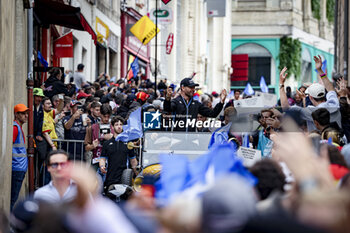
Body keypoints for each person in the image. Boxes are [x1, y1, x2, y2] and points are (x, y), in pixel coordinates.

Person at [279, 55, 341, 132]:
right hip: (339, 141)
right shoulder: (334, 103)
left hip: (319, 143)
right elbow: (330, 89)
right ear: (325, 94)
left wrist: (281, 84)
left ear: (310, 97)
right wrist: (320, 70)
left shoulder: (311, 112)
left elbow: (285, 107)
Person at [99, 116, 138, 192]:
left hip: (124, 178)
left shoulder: (128, 143)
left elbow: (133, 160)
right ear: (112, 127)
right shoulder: (107, 144)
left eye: (121, 124)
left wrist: (136, 172)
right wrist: (102, 166)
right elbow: (102, 158)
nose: (119, 126)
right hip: (110, 178)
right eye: (117, 124)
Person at [85, 104, 113, 174]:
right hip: (96, 160)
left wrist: (113, 138)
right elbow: (86, 147)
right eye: (104, 116)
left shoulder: (114, 127)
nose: (106, 119)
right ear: (100, 114)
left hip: (111, 161)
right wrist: (93, 146)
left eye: (108, 116)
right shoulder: (92, 128)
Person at [11, 104, 29, 210]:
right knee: (13, 199)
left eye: (26, 113)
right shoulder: (15, 128)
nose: (26, 116)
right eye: (23, 113)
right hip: (16, 168)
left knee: (14, 198)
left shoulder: (18, 127)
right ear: (17, 115)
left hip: (19, 168)